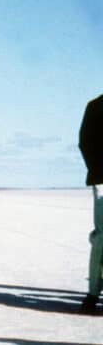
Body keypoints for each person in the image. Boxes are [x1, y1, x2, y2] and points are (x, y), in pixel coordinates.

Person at [79, 93, 103, 312]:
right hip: (102, 179)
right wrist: (98, 172)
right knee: (102, 237)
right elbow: (84, 141)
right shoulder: (96, 106)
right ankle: (93, 292)